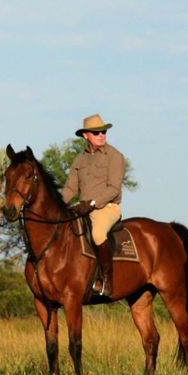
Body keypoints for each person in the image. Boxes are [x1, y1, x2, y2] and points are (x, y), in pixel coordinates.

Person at [61, 113, 125, 298]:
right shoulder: (79, 160)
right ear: (85, 135)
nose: (101, 135)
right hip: (82, 207)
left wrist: (93, 204)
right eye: (96, 132)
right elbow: (70, 188)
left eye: (103, 131)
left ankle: (107, 281)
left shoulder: (114, 156)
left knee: (97, 234)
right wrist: (58, 207)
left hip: (106, 207)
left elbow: (114, 188)